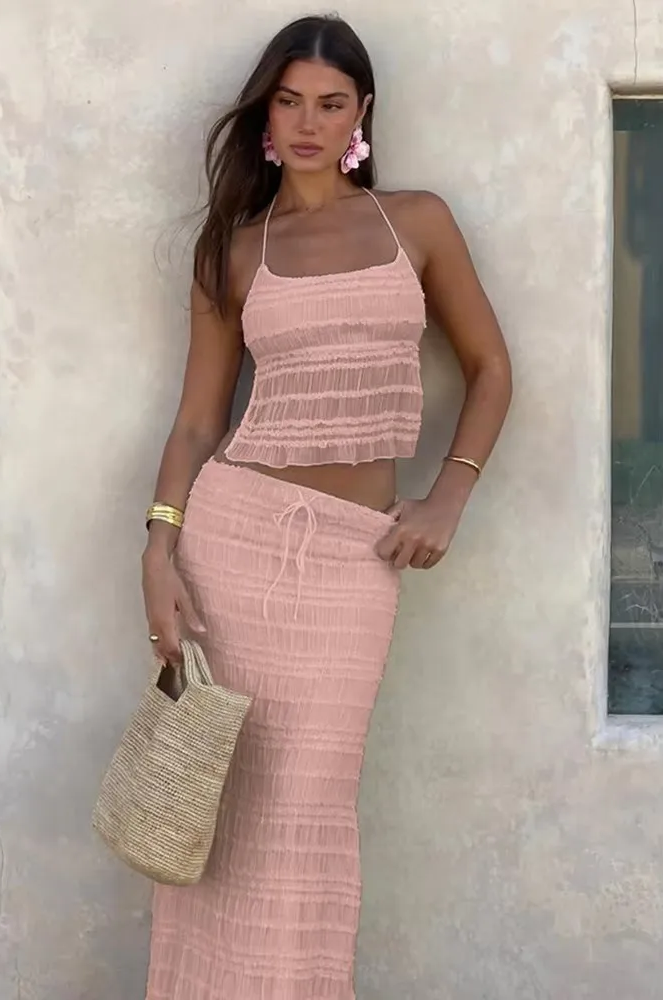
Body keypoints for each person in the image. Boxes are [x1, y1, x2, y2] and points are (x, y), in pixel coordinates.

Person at [142, 13, 511, 999]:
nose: (309, 123)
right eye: (290, 101)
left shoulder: (415, 223)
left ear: (362, 113)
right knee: (221, 813)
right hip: (235, 540)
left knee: (308, 808)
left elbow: (491, 368)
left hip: (355, 559)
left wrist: (449, 494)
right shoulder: (234, 249)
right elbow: (196, 422)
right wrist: (158, 552)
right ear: (267, 115)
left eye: (331, 103)